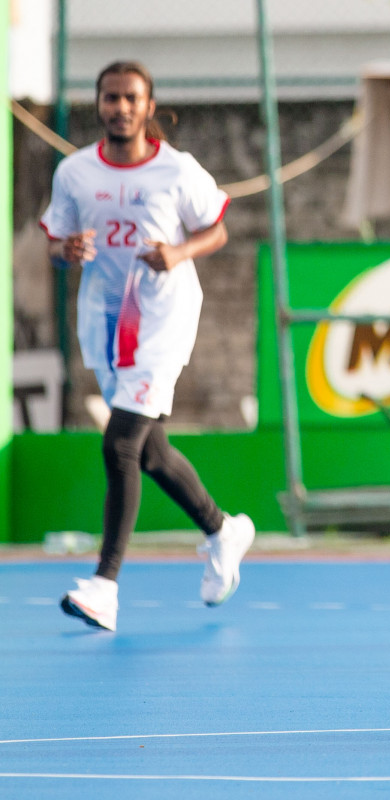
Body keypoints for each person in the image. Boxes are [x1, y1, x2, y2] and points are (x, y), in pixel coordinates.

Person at [45, 61, 254, 633]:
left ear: (149, 105)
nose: (120, 107)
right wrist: (68, 250)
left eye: (131, 98)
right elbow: (53, 243)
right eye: (110, 98)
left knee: (119, 445)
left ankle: (104, 586)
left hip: (162, 318)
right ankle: (222, 530)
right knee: (151, 452)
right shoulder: (75, 172)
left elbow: (217, 227)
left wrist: (178, 253)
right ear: (99, 104)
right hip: (107, 323)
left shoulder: (177, 170)